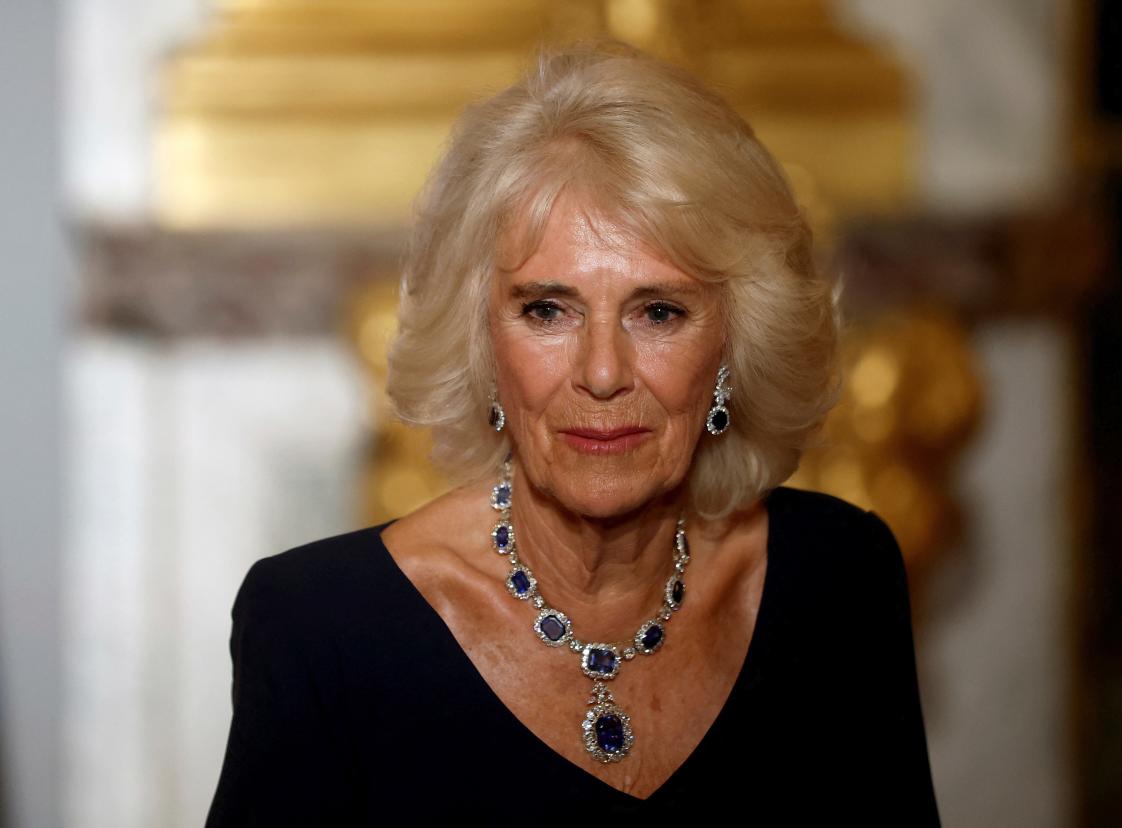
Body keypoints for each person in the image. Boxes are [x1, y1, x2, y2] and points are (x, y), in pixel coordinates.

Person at [206, 38, 940, 824]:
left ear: (732, 346)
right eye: (546, 310)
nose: (600, 372)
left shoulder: (839, 581)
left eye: (658, 311)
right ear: (482, 342)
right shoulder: (321, 629)